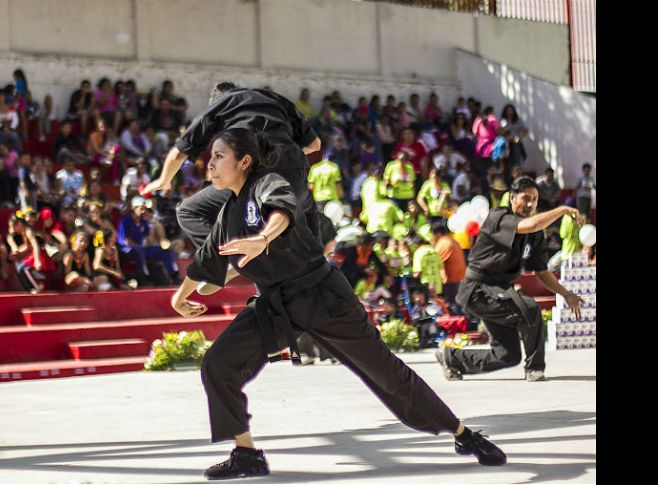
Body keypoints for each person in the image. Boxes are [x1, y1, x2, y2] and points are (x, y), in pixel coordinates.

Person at [169, 129, 506, 479]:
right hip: (275, 305)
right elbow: (207, 259)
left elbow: (281, 213)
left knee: (385, 373)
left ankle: (462, 433)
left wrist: (262, 239)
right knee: (218, 363)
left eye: (219, 156)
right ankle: (246, 452)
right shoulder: (227, 214)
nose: (210, 164)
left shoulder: (269, 184)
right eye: (210, 157)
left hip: (323, 297)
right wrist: (181, 296)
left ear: (245, 161)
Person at [141, 81, 322, 293]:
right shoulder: (276, 100)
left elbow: (179, 152)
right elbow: (314, 145)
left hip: (258, 177)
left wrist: (163, 180)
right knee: (307, 208)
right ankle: (316, 266)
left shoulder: (221, 105)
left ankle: (229, 258)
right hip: (296, 173)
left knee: (189, 210)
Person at [436, 177, 584, 382]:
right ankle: (535, 368)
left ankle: (452, 358)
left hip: (500, 292)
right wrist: (562, 210)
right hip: (477, 290)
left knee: (507, 355)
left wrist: (566, 294)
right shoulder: (499, 217)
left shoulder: (535, 234)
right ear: (512, 198)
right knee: (530, 309)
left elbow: (541, 271)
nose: (530, 204)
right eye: (525, 198)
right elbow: (530, 224)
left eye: (535, 199)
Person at [432, 221, 466, 312]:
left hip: (452, 280)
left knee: (454, 307)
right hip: (459, 277)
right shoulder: (451, 241)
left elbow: (435, 264)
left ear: (437, 234)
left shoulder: (443, 243)